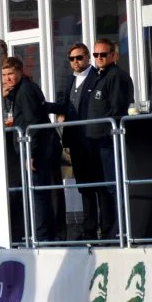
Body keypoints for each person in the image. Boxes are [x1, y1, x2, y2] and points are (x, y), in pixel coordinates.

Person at [48, 42, 103, 241]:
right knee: (84, 187)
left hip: (93, 139)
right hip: (76, 139)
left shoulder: (97, 77)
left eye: (79, 58)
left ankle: (105, 228)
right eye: (72, 59)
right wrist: (45, 106)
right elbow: (65, 105)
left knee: (100, 186)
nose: (75, 62)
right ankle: (89, 228)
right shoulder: (70, 80)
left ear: (88, 57)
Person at [2, 56, 61, 241]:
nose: (7, 78)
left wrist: (31, 153)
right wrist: (8, 96)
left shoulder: (26, 90)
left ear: (20, 71)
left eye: (11, 73)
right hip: (36, 146)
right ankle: (46, 237)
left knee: (37, 194)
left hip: (36, 149)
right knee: (39, 193)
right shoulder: (22, 88)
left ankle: (42, 238)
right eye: (4, 75)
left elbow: (33, 123)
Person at [84, 38, 134, 239]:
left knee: (115, 185)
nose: (99, 58)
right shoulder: (99, 76)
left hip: (109, 140)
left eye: (103, 54)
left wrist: (108, 130)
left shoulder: (116, 76)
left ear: (114, 55)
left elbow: (117, 108)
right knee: (106, 187)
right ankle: (112, 227)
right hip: (95, 141)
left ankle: (122, 228)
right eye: (96, 55)